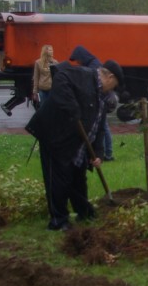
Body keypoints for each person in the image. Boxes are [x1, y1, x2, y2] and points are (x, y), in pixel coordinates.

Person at [25, 47, 125, 231]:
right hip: (56, 136)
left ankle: (84, 212)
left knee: (78, 179)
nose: (114, 90)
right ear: (109, 77)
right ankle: (58, 220)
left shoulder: (102, 96)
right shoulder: (82, 74)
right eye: (115, 85)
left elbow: (99, 127)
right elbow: (59, 75)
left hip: (76, 143)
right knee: (58, 179)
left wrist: (98, 153)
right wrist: (72, 107)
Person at [70, 46, 116, 161]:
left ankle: (108, 153)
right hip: (102, 99)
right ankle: (108, 152)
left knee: (102, 127)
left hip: (100, 101)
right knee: (102, 127)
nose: (78, 62)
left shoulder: (93, 67)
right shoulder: (93, 63)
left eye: (78, 60)